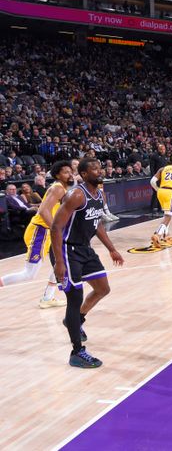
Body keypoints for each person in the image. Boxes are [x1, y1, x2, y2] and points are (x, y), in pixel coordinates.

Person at [51, 158, 124, 368]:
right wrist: (58, 262)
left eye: (100, 167)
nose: (99, 171)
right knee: (74, 298)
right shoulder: (76, 195)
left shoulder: (99, 194)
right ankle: (77, 352)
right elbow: (55, 228)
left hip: (84, 249)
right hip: (67, 249)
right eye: (94, 168)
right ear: (83, 174)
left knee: (103, 288)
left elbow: (97, 223)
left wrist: (112, 249)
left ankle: (76, 319)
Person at [0, 160, 73, 309]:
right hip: (41, 231)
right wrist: (56, 230)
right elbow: (43, 211)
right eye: (66, 172)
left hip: (47, 231)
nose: (70, 174)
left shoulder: (63, 189)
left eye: (71, 171)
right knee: (29, 274)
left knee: (63, 262)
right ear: (57, 175)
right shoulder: (58, 188)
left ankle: (47, 297)